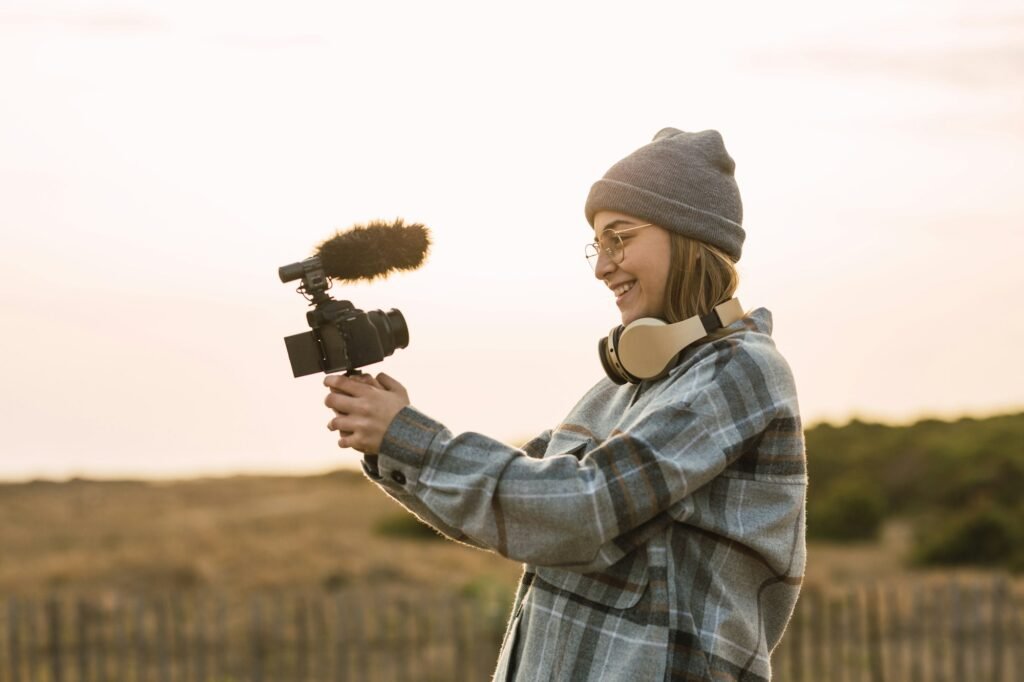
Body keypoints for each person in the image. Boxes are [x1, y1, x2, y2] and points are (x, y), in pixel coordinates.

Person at [323, 128, 806, 681]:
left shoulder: (739, 372)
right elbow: (520, 507)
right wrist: (390, 444)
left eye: (619, 238)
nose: (602, 267)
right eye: (597, 246)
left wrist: (412, 439)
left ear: (690, 237)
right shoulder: (623, 385)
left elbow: (581, 510)